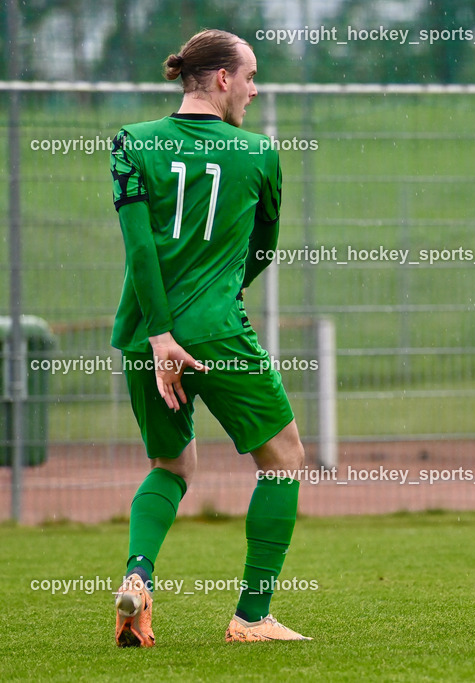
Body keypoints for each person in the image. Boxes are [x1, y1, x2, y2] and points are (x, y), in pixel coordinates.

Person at [110, 29, 309, 645]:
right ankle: (252, 616)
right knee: (283, 460)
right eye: (250, 76)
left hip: (145, 336)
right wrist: (219, 292)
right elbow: (263, 250)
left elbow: (140, 249)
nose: (254, 89)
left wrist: (160, 334)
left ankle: (138, 581)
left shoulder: (129, 143)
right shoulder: (259, 154)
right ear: (223, 78)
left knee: (170, 464)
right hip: (217, 334)